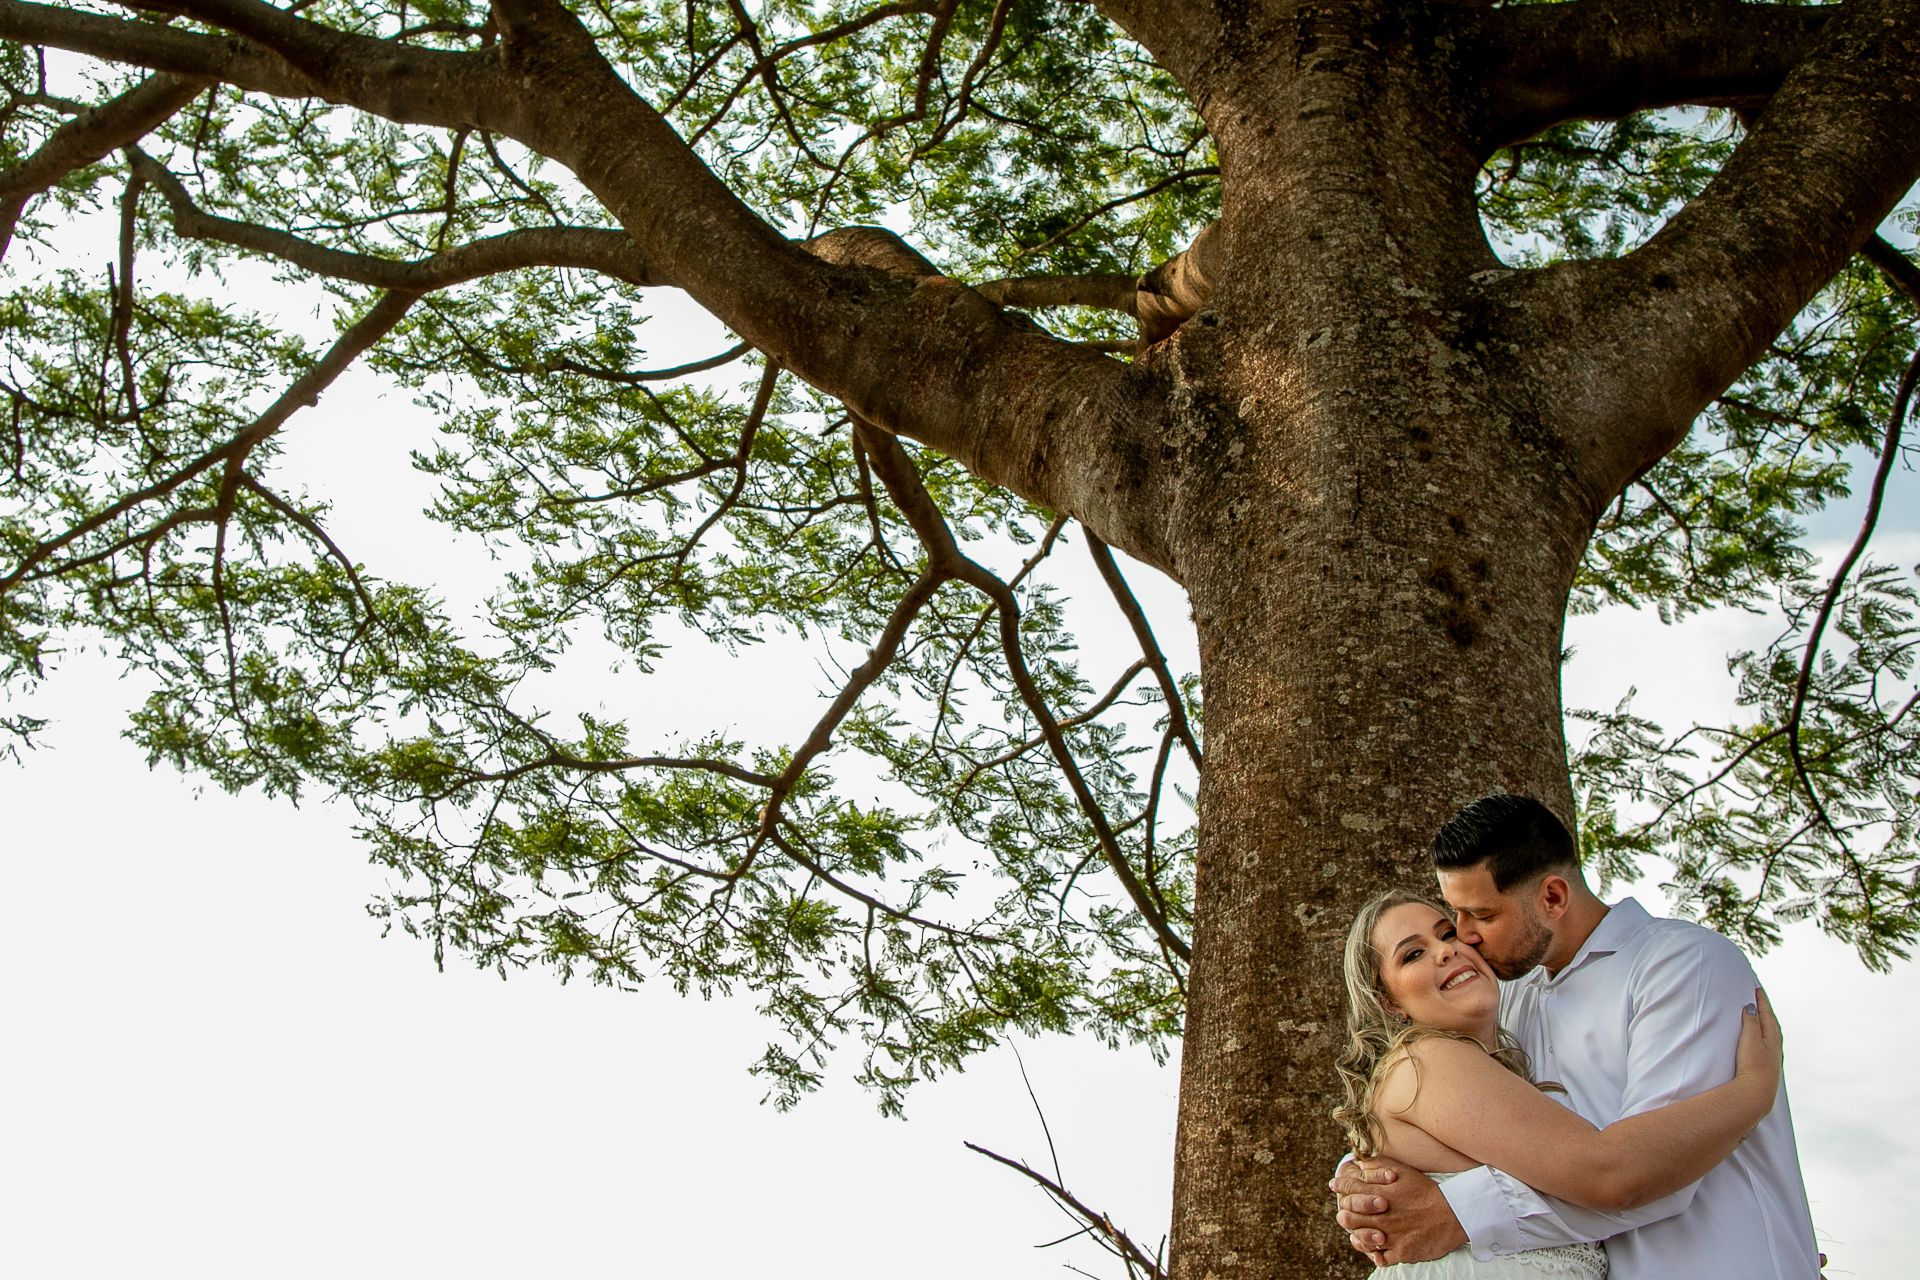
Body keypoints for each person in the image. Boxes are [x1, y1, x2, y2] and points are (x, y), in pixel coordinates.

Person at [1334, 795, 1821, 1278]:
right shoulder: (1509, 1000)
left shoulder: (1680, 965)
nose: (1464, 937)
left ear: (1553, 898)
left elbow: (1651, 1173)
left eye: (1480, 915)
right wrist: (1370, 1181)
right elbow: (1468, 1128)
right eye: (1455, 917)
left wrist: (1455, 1212)